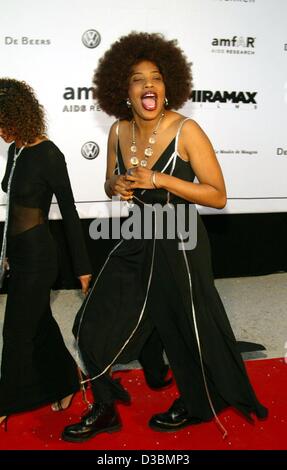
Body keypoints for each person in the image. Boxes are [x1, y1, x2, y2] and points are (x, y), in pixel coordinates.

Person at [62, 32, 268, 443]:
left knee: (185, 331)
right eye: (139, 79)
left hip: (181, 241)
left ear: (167, 84)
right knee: (90, 323)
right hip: (137, 236)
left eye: (156, 77)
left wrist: (158, 178)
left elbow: (218, 194)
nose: (149, 85)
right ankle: (104, 407)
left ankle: (197, 403)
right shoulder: (118, 132)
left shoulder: (186, 130)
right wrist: (115, 185)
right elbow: (108, 183)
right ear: (125, 89)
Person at [0, 78, 92, 428]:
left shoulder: (49, 154)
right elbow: (14, 205)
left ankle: (5, 400)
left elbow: (68, 212)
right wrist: (7, 250)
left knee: (15, 332)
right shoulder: (15, 150)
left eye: (2, 122)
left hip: (40, 257)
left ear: (19, 116)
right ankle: (68, 378)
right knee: (38, 322)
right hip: (19, 252)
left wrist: (82, 267)